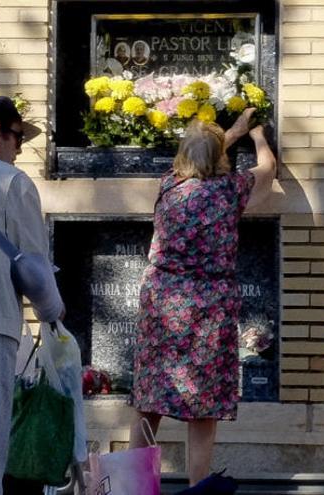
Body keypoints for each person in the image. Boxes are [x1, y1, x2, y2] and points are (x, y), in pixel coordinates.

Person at [127, 108, 277, 488]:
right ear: (219, 158)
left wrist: (227, 134)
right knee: (203, 403)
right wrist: (255, 135)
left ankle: (134, 486)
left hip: (161, 301)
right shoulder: (230, 189)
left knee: (149, 399)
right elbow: (268, 169)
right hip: (207, 305)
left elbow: (199, 159)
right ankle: (198, 487)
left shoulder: (169, 186)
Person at [0, 96, 65, 495]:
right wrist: (54, 314)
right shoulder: (10, 182)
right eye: (17, 137)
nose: (19, 149)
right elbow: (33, 267)